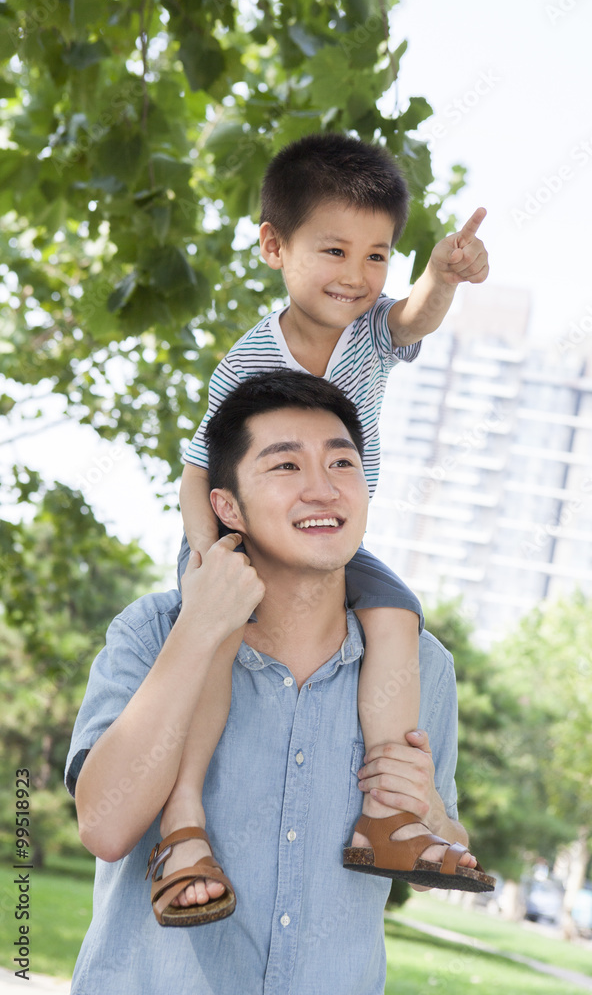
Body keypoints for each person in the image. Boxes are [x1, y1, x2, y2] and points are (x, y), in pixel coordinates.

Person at [66, 370, 493, 994]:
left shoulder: (421, 666)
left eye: (342, 464)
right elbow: (104, 827)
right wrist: (199, 629)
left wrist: (427, 809)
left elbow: (439, 852)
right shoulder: (152, 633)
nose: (323, 490)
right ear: (227, 506)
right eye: (286, 467)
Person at [165, 133, 489, 917]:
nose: (355, 276)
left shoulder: (374, 328)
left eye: (376, 256)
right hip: (234, 535)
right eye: (335, 250)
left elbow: (414, 317)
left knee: (395, 613)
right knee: (210, 647)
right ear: (276, 246)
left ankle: (386, 810)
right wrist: (213, 568)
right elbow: (198, 470)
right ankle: (182, 817)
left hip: (326, 539)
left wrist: (439, 276)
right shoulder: (248, 361)